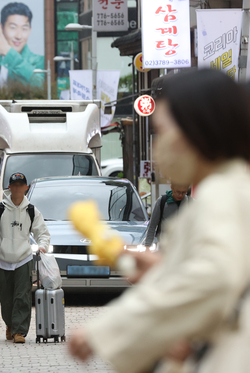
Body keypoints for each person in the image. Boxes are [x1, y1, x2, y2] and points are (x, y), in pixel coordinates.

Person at [68, 69, 250, 373]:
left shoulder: (221, 195)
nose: (158, 146)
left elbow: (213, 277)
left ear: (197, 131)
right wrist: (164, 269)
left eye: (163, 132)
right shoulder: (228, 190)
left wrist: (108, 329)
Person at [0, 172, 50, 344]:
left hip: (23, 259)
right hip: (2, 260)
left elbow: (42, 232)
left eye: (21, 185)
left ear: (26, 188)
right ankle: (10, 324)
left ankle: (19, 331)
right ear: (9, 188)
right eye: (15, 185)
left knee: (22, 296)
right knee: (5, 297)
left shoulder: (32, 210)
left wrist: (42, 246)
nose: (18, 188)